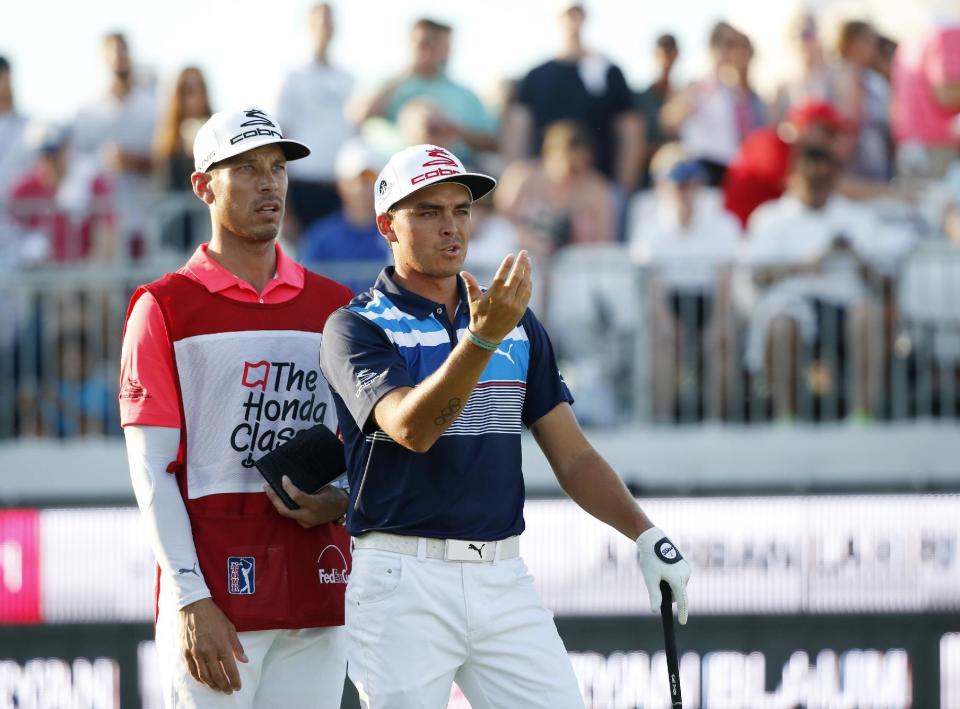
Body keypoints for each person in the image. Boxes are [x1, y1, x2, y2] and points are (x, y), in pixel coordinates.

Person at [319, 143, 692, 708]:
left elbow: (573, 455)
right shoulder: (356, 325)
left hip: (503, 575)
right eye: (427, 212)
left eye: (461, 210)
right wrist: (482, 339)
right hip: (401, 579)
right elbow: (412, 430)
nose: (451, 227)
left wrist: (644, 532)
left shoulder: (512, 323)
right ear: (385, 226)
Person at [119, 107, 353, 708]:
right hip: (215, 604)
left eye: (276, 168)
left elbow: (365, 450)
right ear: (203, 186)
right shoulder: (163, 308)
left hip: (318, 590)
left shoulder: (337, 306)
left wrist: (341, 501)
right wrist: (191, 599)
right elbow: (151, 474)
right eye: (246, 169)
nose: (268, 182)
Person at [501, 3, 643, 194]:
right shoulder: (536, 76)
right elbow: (518, 128)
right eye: (569, 14)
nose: (574, 20)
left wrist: (625, 185)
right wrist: (515, 179)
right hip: (545, 190)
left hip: (598, 189)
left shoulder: (609, 72)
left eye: (578, 13)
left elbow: (630, 127)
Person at [352, 18, 497, 162]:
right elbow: (359, 116)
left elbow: (492, 141)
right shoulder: (388, 84)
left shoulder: (464, 94)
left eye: (439, 45)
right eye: (424, 44)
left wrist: (456, 131)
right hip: (393, 168)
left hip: (454, 169)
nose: (430, 52)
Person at [72, 32, 157, 258]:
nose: (119, 58)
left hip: (147, 216)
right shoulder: (88, 112)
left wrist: (135, 161)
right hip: (105, 222)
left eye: (123, 51)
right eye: (113, 52)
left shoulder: (153, 107)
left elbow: (163, 158)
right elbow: (78, 164)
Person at [276, 3, 356, 231]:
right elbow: (282, 135)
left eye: (330, 22)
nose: (326, 28)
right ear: (309, 26)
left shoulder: (348, 79)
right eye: (321, 21)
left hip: (338, 186)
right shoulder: (293, 76)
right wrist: (285, 204)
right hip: (302, 185)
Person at [299, 138, 389, 293]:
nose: (361, 188)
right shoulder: (321, 236)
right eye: (354, 181)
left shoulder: (394, 233)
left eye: (368, 180)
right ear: (340, 185)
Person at [891, 17, 960, 179]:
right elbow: (947, 94)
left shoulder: (916, 34)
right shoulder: (948, 33)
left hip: (912, 146)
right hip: (936, 148)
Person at [635, 34, 680, 188]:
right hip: (647, 180)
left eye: (670, 52)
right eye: (663, 52)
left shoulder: (682, 97)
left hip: (677, 178)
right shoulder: (640, 98)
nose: (667, 59)